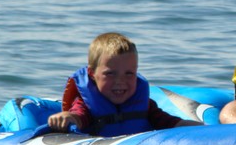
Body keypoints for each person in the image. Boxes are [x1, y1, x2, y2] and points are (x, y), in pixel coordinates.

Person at [48, 32, 202, 136]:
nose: (120, 81)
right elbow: (79, 116)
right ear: (92, 74)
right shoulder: (85, 105)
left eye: (129, 73)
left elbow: (167, 122)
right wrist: (69, 117)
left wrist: (192, 127)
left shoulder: (144, 104)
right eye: (110, 73)